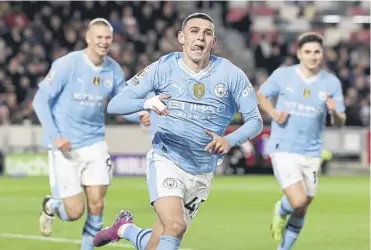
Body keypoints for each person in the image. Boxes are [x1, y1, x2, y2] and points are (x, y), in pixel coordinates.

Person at [92, 13, 263, 250]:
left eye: (207, 33)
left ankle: (123, 228)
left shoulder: (231, 74)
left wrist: (229, 139)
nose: (200, 37)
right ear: (182, 37)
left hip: (202, 172)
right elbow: (115, 104)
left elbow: (255, 121)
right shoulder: (164, 67)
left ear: (213, 41)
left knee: (156, 243)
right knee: (175, 225)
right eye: (194, 31)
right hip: (166, 159)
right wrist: (147, 102)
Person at [32, 18, 149, 250]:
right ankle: (51, 207)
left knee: (97, 206)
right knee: (74, 211)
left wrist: (140, 115)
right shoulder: (68, 64)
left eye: (107, 38)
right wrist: (55, 136)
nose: (104, 42)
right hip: (65, 146)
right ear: (88, 38)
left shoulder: (113, 69)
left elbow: (119, 105)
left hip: (95, 144)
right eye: (99, 37)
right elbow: (40, 100)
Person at [256, 32, 346, 250]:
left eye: (317, 52)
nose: (312, 56)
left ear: (322, 54)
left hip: (312, 151)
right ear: (299, 54)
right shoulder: (283, 75)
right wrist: (274, 115)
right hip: (284, 147)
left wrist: (334, 113)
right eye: (308, 52)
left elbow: (340, 121)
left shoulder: (331, 82)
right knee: (297, 201)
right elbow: (261, 95)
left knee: (302, 207)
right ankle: (281, 209)